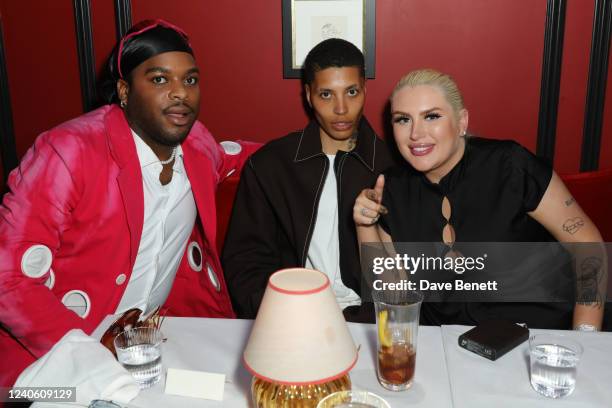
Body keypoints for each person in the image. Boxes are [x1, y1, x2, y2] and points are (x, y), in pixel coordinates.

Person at [0, 19, 259, 387]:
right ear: (124, 90)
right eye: (159, 79)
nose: (180, 93)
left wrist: (322, 148)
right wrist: (89, 357)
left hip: (151, 349)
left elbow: (246, 158)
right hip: (47, 364)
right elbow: (8, 278)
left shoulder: (198, 147)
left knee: (228, 393)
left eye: (190, 80)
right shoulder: (68, 152)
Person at [354, 68, 605, 330]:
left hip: (535, 336)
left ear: (461, 121)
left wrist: (585, 335)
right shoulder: (391, 187)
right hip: (446, 344)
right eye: (403, 119)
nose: (416, 133)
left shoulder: (510, 165)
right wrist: (365, 225)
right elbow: (396, 296)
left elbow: (587, 244)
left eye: (432, 116)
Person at [222, 38, 395, 321]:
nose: (341, 108)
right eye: (326, 95)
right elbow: (245, 260)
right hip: (292, 316)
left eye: (351, 92)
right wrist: (276, 312)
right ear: (308, 95)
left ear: (365, 89)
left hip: (372, 319)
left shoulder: (393, 167)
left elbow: (411, 270)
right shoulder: (271, 165)